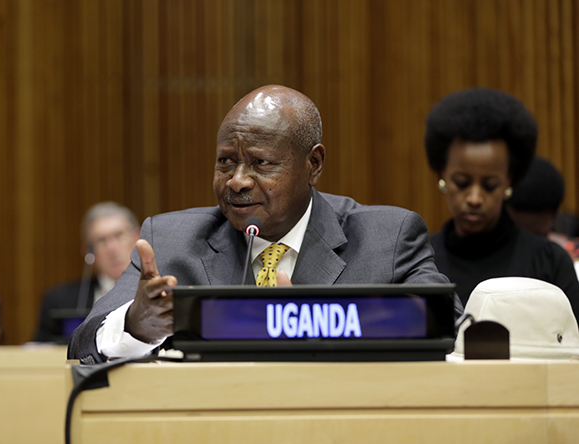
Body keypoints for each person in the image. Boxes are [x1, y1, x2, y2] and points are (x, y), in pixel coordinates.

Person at [68, 84, 463, 364]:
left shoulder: (387, 239)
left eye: (261, 163)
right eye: (225, 161)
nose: (237, 181)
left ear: (313, 164)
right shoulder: (169, 242)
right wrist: (137, 326)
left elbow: (450, 330)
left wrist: (319, 323)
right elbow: (83, 344)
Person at [425, 87, 579, 321]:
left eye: (490, 185)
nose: (474, 198)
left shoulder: (549, 262)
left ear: (510, 180)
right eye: (462, 182)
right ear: (442, 175)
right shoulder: (422, 263)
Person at [33, 202, 140, 342]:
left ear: (138, 238)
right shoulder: (60, 301)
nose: (112, 248)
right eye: (101, 241)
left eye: (119, 235)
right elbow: (40, 355)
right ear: (88, 252)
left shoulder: (165, 291)